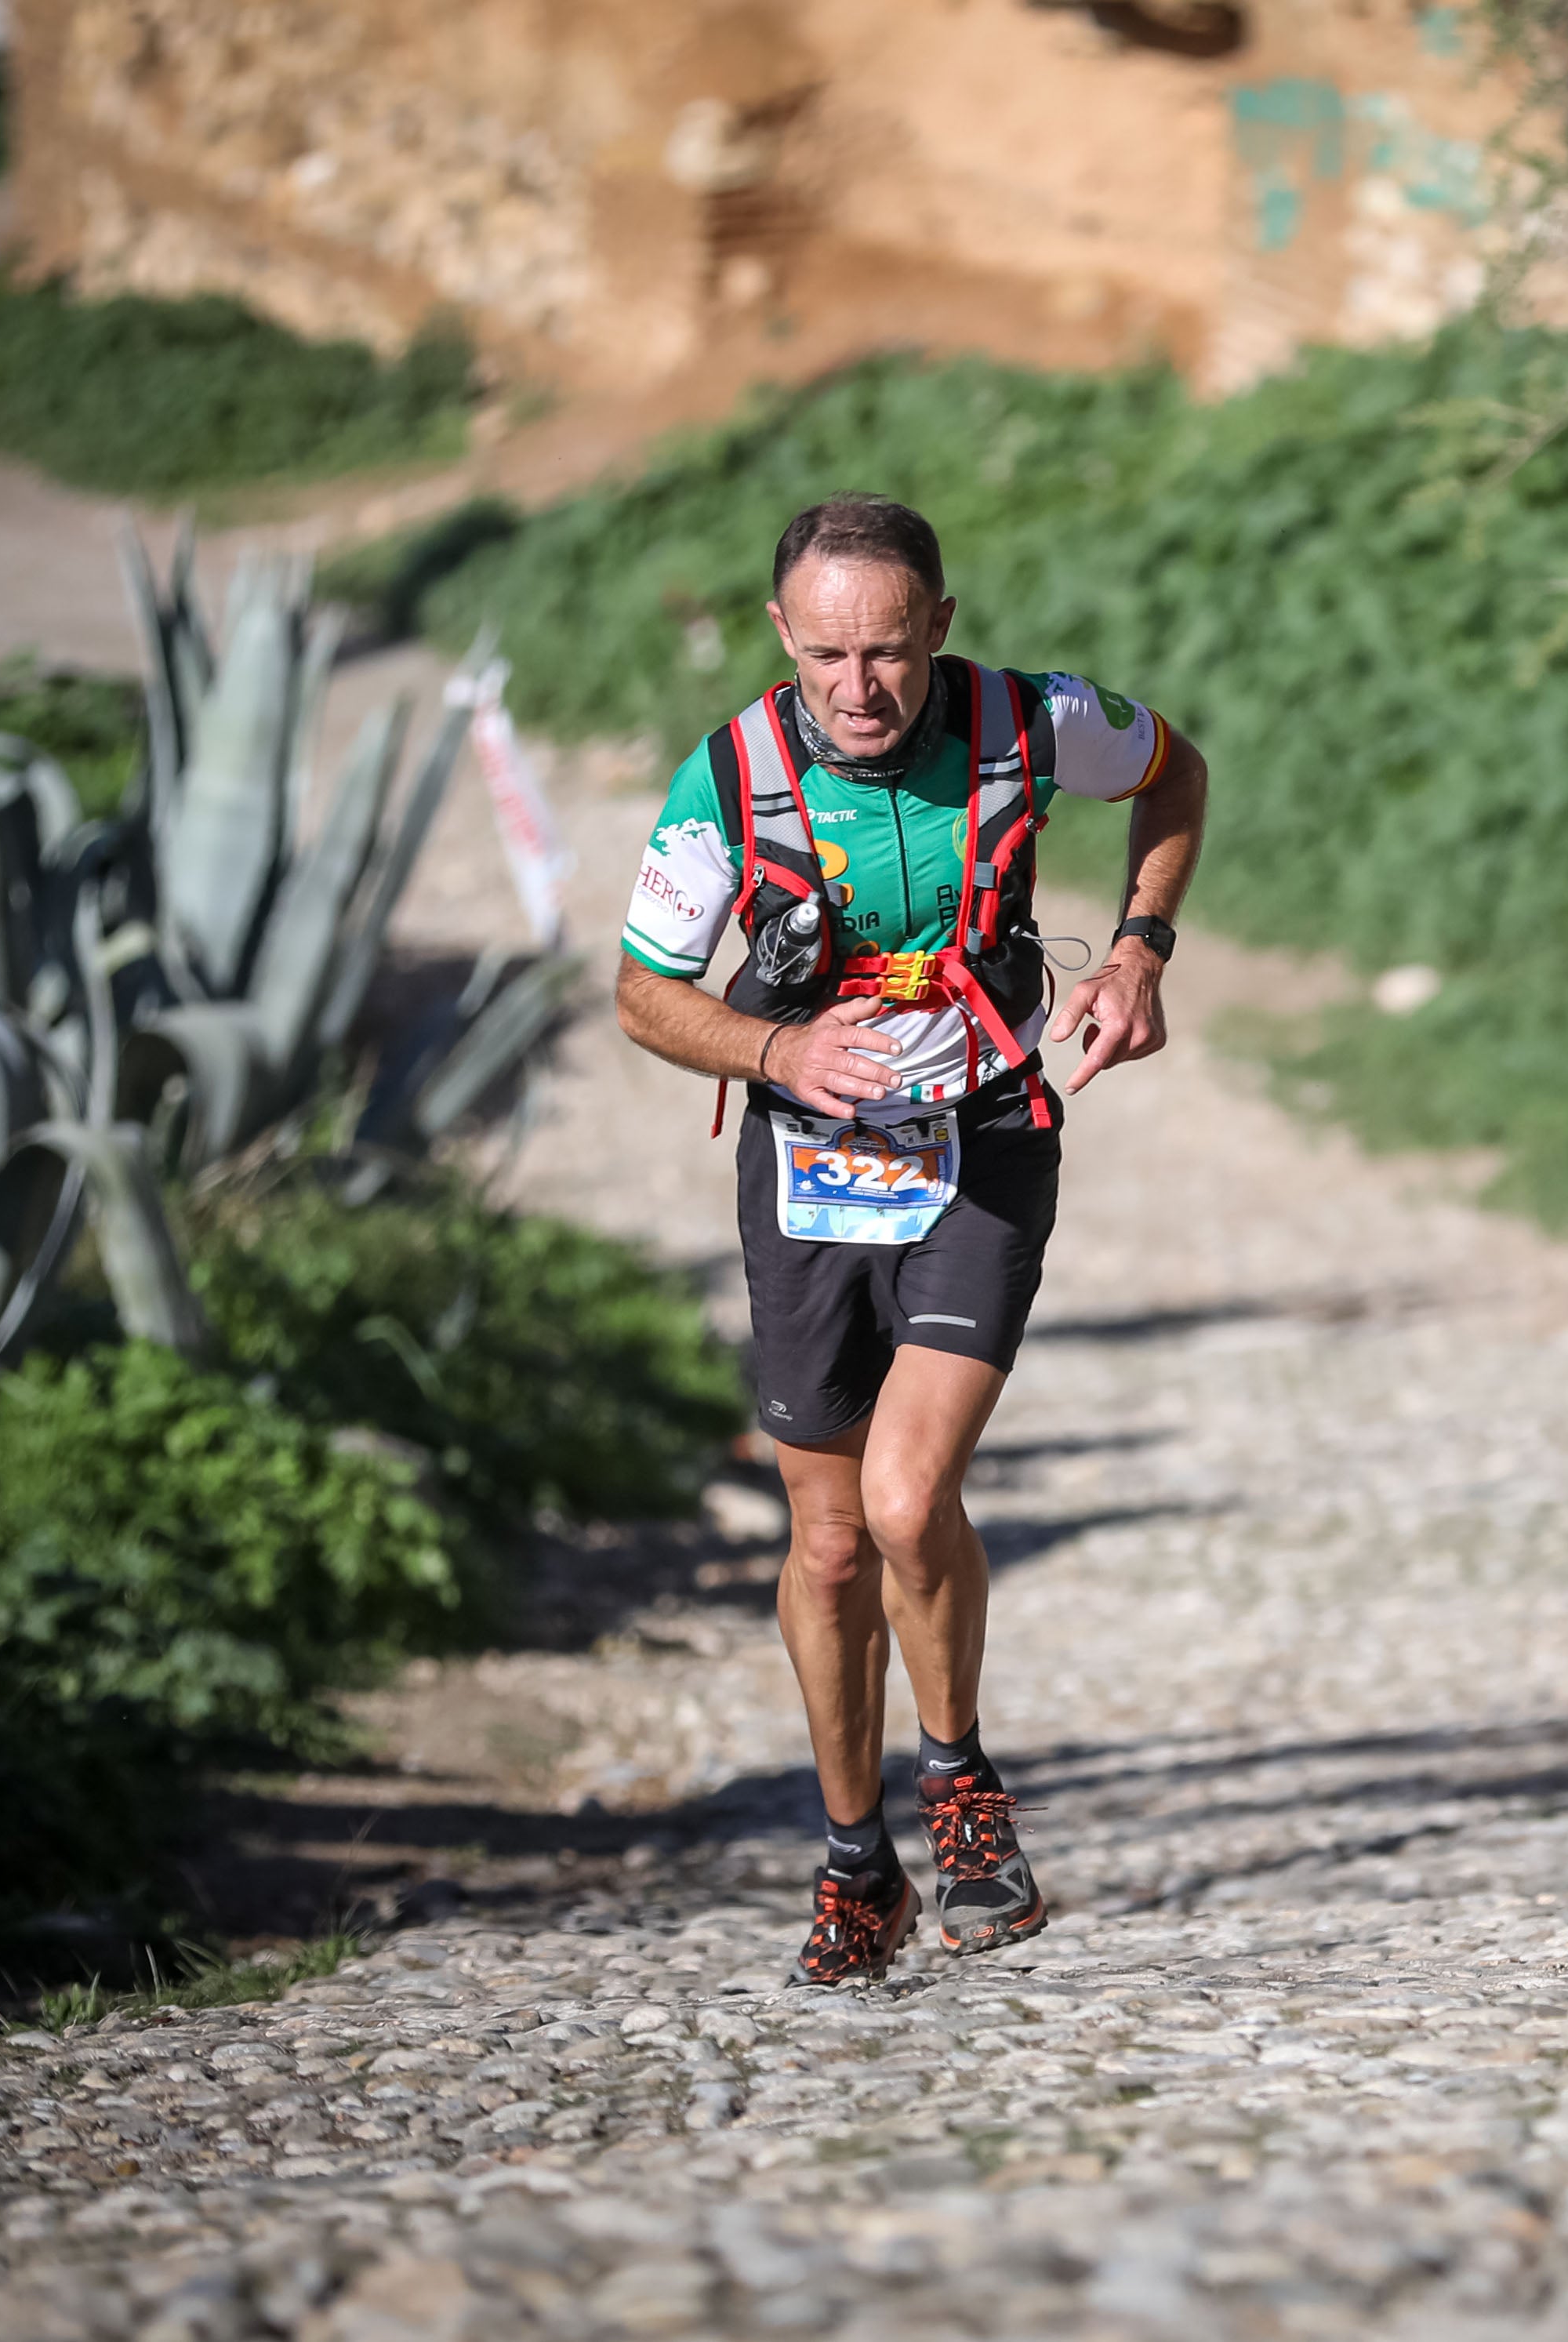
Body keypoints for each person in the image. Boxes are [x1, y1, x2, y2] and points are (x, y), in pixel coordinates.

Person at [614, 494, 1207, 1984]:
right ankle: (853, 1861)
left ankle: (962, 1788)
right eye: (826, 656)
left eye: (888, 651)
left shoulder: (1032, 721)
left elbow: (1175, 770)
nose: (859, 690)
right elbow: (643, 992)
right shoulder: (730, 772)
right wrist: (773, 1055)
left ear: (939, 625)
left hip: (986, 1133)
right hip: (809, 1161)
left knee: (900, 1495)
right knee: (823, 1550)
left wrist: (1139, 946)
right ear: (782, 637)